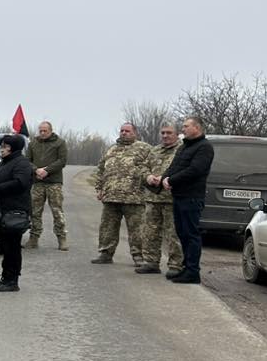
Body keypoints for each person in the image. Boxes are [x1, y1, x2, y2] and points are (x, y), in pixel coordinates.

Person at [92, 122, 153, 265]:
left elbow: (152, 168)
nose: (124, 133)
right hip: (111, 196)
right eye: (122, 130)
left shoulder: (144, 149)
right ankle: (106, 253)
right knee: (107, 227)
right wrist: (99, 188)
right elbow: (101, 170)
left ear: (135, 133)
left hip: (134, 197)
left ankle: (139, 256)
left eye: (127, 131)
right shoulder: (111, 150)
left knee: (137, 229)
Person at [163, 116, 215, 284]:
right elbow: (174, 167)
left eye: (186, 126)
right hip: (179, 196)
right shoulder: (184, 147)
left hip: (192, 198)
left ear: (197, 128)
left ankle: (193, 272)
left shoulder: (204, 147)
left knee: (191, 235)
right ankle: (186, 268)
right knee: (182, 233)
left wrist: (172, 180)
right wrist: (163, 180)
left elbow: (195, 170)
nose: (183, 129)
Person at [0, 134, 34, 291]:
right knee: (4, 247)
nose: (2, 149)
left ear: (13, 148)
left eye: (5, 147)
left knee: (12, 247)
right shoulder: (2, 164)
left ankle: (12, 280)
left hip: (15, 212)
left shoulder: (22, 164)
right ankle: (5, 277)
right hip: (0, 212)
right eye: (2, 146)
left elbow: (20, 183)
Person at [137, 123, 184, 276]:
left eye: (169, 133)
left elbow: (187, 170)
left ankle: (176, 265)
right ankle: (151, 262)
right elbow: (142, 168)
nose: (165, 136)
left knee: (174, 234)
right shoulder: (154, 150)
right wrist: (148, 177)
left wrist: (167, 178)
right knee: (150, 232)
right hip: (153, 198)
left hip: (173, 198)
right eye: (162, 133)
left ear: (177, 134)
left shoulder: (183, 150)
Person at [25, 120, 69, 250]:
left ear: (51, 130)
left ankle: (62, 238)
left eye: (45, 131)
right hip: (37, 182)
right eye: (41, 131)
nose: (43, 133)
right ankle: (34, 238)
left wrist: (47, 170)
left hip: (54, 182)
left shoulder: (59, 143)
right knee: (35, 211)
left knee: (57, 211)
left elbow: (62, 161)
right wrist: (36, 170)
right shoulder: (33, 143)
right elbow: (27, 161)